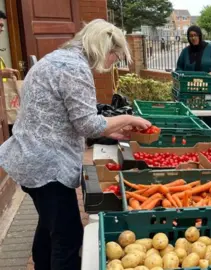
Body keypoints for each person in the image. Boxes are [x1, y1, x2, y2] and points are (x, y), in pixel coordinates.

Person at [0, 19, 151, 270]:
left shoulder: (56, 58)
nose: (114, 61)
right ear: (104, 48)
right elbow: (88, 125)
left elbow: (62, 115)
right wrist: (128, 118)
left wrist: (111, 132)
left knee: (49, 224)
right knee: (67, 238)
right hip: (47, 166)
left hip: (29, 157)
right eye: (116, 55)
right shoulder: (74, 69)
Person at [176, 25, 211, 139]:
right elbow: (178, 69)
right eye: (191, 36)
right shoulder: (185, 52)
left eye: (195, 35)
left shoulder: (210, 49)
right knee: (193, 118)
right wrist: (183, 77)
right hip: (190, 91)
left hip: (208, 89)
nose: (193, 38)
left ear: (200, 36)